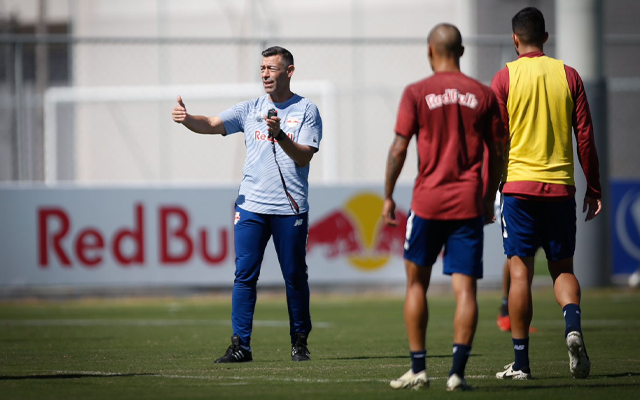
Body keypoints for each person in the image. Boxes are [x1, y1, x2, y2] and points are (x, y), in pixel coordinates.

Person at [172, 46, 322, 363]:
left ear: (290, 71)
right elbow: (212, 122)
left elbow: (304, 155)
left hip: (289, 209)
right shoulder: (250, 108)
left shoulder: (307, 110)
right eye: (263, 68)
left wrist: (280, 135)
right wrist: (187, 120)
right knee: (244, 275)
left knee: (294, 276)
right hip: (251, 206)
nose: (265, 73)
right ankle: (241, 345)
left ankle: (299, 342)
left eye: (273, 68)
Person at [383, 23, 505, 391]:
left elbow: (398, 149)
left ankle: (418, 370)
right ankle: (457, 374)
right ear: (462, 52)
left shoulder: (416, 92)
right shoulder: (483, 94)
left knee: (416, 284)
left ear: (429, 51)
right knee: (465, 290)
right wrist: (488, 197)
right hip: (467, 203)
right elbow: (499, 151)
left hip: (427, 202)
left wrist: (388, 194)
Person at [491, 7, 602, 380]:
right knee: (563, 269)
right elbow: (584, 136)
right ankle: (572, 326)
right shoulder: (568, 75)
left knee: (520, 273)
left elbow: (496, 140)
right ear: (547, 38)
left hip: (519, 189)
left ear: (515, 39)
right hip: (559, 189)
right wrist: (594, 186)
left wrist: (491, 186)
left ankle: (521, 364)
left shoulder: (504, 78)